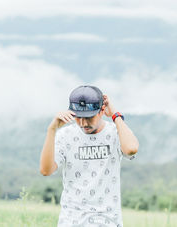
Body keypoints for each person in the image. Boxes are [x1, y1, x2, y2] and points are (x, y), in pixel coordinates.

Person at [40, 85, 139, 227]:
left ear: (101, 111)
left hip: (107, 221)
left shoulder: (114, 133)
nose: (83, 123)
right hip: (71, 221)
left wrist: (115, 115)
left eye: (89, 117)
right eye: (78, 117)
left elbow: (131, 149)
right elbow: (46, 170)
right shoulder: (65, 135)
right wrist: (52, 130)